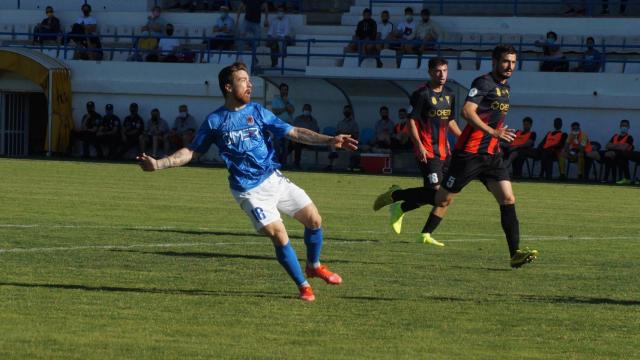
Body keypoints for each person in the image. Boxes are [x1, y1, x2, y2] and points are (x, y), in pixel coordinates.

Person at [137, 62, 358, 301]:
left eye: (249, 80)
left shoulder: (258, 112)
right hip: (249, 191)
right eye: (243, 80)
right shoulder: (215, 121)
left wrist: (329, 140)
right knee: (279, 234)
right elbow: (192, 151)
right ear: (228, 87)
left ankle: (313, 266)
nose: (249, 84)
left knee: (314, 219)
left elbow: (293, 132)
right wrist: (159, 164)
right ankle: (304, 286)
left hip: (274, 179)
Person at [374, 45, 539, 268]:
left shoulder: (506, 87)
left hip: (491, 155)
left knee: (508, 199)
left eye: (513, 62)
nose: (510, 66)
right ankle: (397, 195)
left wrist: (493, 137)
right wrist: (493, 132)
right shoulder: (483, 83)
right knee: (442, 199)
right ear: (494, 62)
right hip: (469, 155)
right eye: (505, 62)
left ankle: (515, 254)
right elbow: (467, 112)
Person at [374, 57, 461, 244]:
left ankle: (400, 205)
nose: (442, 74)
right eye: (438, 71)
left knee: (445, 195)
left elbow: (450, 120)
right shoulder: (421, 94)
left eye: (445, 70)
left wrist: (462, 138)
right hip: (428, 150)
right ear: (430, 72)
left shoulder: (450, 94)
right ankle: (397, 198)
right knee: (437, 194)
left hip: (445, 152)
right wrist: (419, 145)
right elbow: (411, 120)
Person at [327, 105, 360, 171]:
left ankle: (349, 166)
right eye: (345, 110)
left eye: (348, 110)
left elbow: (355, 135)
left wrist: (346, 134)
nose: (346, 112)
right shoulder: (340, 123)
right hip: (340, 140)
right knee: (331, 143)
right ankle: (331, 164)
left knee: (348, 147)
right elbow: (336, 133)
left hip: (348, 141)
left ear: (350, 112)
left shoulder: (354, 123)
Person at [603, 119, 634, 184]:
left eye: (625, 125)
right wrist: (618, 145)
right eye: (622, 125)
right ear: (620, 126)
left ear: (628, 127)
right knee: (607, 156)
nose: (624, 127)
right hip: (612, 155)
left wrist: (613, 146)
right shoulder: (615, 136)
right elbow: (607, 146)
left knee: (615, 156)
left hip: (622, 156)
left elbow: (623, 148)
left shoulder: (629, 137)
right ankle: (606, 178)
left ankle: (621, 178)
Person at [271, 83, 295, 165]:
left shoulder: (289, 100)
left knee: (286, 145)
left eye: (286, 90)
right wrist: (285, 108)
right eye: (283, 89)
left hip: (287, 125)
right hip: (277, 125)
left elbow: (292, 110)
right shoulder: (276, 99)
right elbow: (275, 111)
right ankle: (276, 163)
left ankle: (284, 164)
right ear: (280, 90)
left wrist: (286, 102)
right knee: (277, 145)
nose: (285, 91)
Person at [291, 104, 319, 169]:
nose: (306, 111)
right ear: (302, 110)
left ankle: (296, 164)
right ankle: (282, 162)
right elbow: (293, 130)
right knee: (289, 145)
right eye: (305, 109)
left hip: (309, 141)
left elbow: (315, 132)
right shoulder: (297, 119)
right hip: (298, 139)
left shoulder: (313, 121)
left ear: (311, 111)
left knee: (298, 144)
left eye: (308, 109)